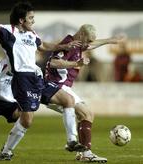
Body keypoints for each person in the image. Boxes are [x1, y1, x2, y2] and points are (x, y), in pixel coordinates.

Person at [0, 0, 82, 160]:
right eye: (31, 18)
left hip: (37, 78)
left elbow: (43, 45)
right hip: (22, 80)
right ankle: (6, 152)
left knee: (68, 100)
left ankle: (72, 141)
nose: (33, 21)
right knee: (27, 120)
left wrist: (64, 47)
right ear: (21, 20)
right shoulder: (9, 31)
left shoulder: (32, 34)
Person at [45, 24, 124, 162]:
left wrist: (110, 40)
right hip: (56, 87)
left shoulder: (79, 43)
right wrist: (76, 64)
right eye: (88, 40)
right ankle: (85, 153)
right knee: (86, 114)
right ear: (81, 35)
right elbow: (53, 62)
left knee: (85, 115)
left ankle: (81, 151)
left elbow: (91, 45)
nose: (88, 44)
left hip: (63, 87)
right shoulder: (69, 43)